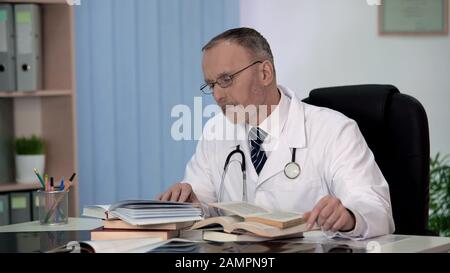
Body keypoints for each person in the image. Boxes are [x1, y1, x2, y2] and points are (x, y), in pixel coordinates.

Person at [157, 27, 394, 239]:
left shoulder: (333, 130)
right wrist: (190, 202)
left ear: (265, 73)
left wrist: (349, 217)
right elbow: (203, 199)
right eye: (211, 85)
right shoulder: (216, 131)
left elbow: (376, 209)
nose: (218, 95)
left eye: (226, 79)